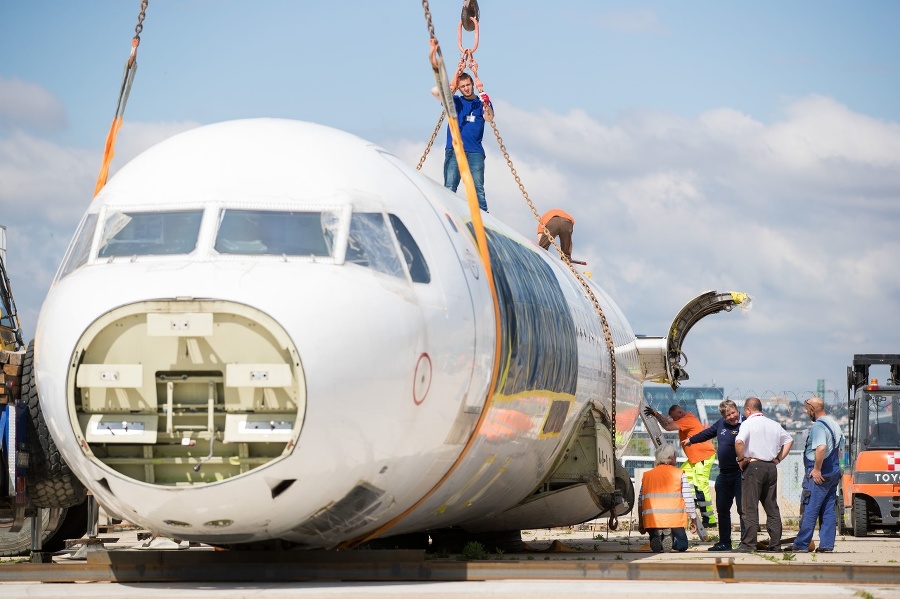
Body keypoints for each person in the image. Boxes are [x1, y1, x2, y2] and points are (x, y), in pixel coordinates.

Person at [682, 398, 745, 551]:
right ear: (723, 416)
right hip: (724, 474)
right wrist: (691, 440)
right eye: (728, 415)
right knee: (722, 509)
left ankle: (746, 542)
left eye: (733, 413)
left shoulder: (746, 424)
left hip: (740, 474)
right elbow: (707, 433)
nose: (732, 417)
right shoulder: (720, 424)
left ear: (738, 410)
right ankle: (725, 542)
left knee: (742, 509)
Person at [644, 404, 717, 532]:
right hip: (695, 458)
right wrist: (657, 413)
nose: (673, 419)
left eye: (674, 417)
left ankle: (709, 520)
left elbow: (667, 426)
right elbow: (667, 420)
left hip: (703, 456)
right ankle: (693, 501)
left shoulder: (686, 419)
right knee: (680, 476)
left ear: (679, 413)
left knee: (701, 485)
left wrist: (655, 414)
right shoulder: (684, 417)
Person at [734, 396, 794, 552]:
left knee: (750, 506)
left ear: (748, 410)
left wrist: (741, 459)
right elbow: (789, 440)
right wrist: (778, 459)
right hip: (770, 467)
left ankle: (749, 544)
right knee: (771, 507)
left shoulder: (748, 423)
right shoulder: (773, 424)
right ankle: (775, 544)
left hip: (753, 466)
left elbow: (739, 442)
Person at [432, 72, 493, 212]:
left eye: (468, 85)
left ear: (472, 84)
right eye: (463, 86)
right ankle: (447, 212)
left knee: (478, 188)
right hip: (455, 150)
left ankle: (483, 216)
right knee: (450, 185)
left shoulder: (480, 103)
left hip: (475, 152)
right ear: (459, 89)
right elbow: (434, 91)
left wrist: (486, 103)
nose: (466, 88)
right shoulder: (456, 102)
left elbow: (489, 118)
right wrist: (453, 82)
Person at [791, 397, 845, 553]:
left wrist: (816, 469)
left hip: (820, 472)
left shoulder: (818, 427)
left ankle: (801, 544)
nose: (805, 412)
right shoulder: (835, 424)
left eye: (806, 409)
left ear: (812, 409)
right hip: (833, 470)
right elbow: (840, 450)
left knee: (810, 507)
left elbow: (821, 448)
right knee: (828, 509)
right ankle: (827, 545)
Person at [637, 443, 698, 553]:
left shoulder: (647, 475)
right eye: (675, 455)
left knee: (656, 541)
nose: (676, 457)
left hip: (652, 521)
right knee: (683, 544)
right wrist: (694, 519)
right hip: (674, 520)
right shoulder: (679, 474)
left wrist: (641, 523)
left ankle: (657, 537)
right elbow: (688, 499)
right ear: (670, 458)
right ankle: (671, 538)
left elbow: (640, 501)